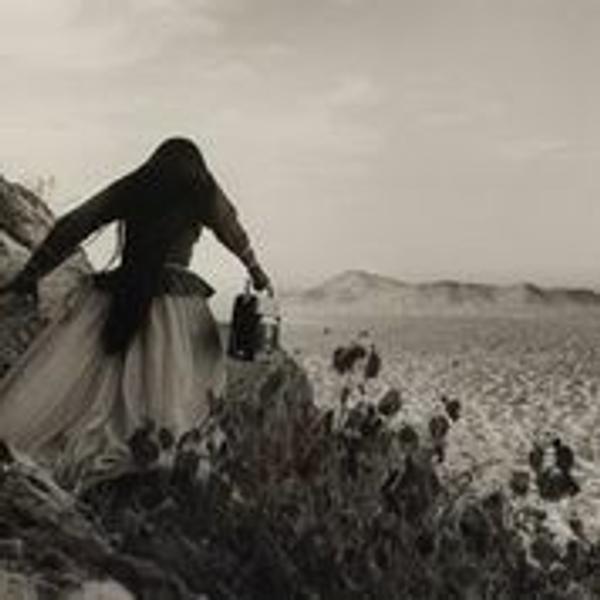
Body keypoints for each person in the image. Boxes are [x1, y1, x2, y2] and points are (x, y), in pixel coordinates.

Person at [0, 137, 272, 490]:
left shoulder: (136, 185)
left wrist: (30, 276)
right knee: (179, 392)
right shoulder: (201, 189)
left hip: (120, 294)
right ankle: (155, 459)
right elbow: (233, 230)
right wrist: (256, 271)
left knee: (97, 387)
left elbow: (74, 224)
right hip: (177, 306)